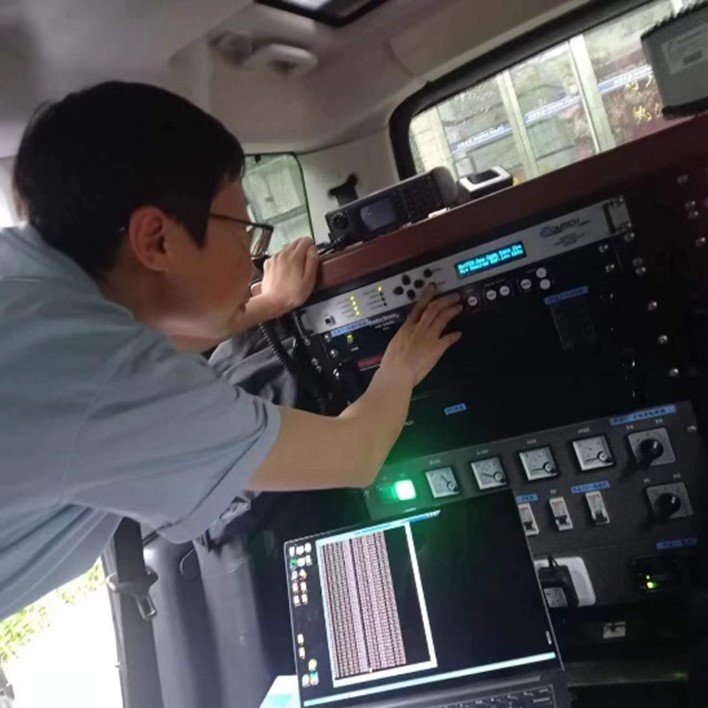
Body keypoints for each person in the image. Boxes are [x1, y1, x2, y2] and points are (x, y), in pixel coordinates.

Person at [0, 82, 462, 620]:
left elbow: (146, 338)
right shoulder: (103, 376)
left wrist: (269, 304)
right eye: (245, 233)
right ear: (156, 239)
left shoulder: (29, 290)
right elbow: (357, 454)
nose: (253, 260)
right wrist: (402, 363)